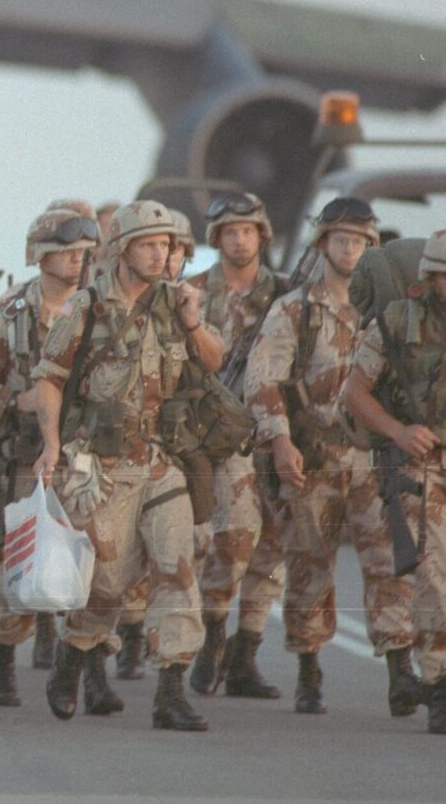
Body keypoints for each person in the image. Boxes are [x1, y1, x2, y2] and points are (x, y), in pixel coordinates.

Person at [30, 201, 222, 731]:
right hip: (99, 465)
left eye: (167, 245)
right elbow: (48, 379)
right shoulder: (84, 309)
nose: (162, 255)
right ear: (121, 250)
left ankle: (170, 691)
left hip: (160, 460)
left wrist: (194, 322)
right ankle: (73, 651)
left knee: (176, 567)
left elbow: (213, 362)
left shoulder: (176, 305)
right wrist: (50, 445)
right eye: (150, 245)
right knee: (108, 585)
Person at [243, 197, 422, 720]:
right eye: (341, 240)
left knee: (391, 562)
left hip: (375, 459)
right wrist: (280, 441)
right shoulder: (294, 309)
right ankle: (309, 670)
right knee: (309, 567)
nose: (351, 249)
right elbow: (263, 380)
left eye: (361, 242)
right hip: (314, 458)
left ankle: (400, 673)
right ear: (323, 245)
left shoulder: (391, 309)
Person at [344, 227, 446, 736]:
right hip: (420, 469)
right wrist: (398, 431)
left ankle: (441, 662)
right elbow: (355, 392)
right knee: (437, 578)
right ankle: (444, 688)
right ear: (430, 277)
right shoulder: (396, 321)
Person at [0, 207, 100, 707]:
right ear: (41, 256)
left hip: (94, 454)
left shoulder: (102, 307)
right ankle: (2, 653)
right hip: (27, 457)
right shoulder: (10, 313)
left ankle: (91, 663)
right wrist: (16, 403)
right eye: (66, 249)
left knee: (101, 560)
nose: (77, 258)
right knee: (23, 558)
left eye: (83, 249)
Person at [185, 192, 290, 698]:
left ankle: (246, 654)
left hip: (276, 435)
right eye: (230, 230)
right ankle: (212, 644)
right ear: (216, 238)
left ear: (262, 234)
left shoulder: (286, 295)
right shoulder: (193, 295)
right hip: (221, 441)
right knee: (233, 540)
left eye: (248, 229)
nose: (240, 238)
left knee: (272, 551)